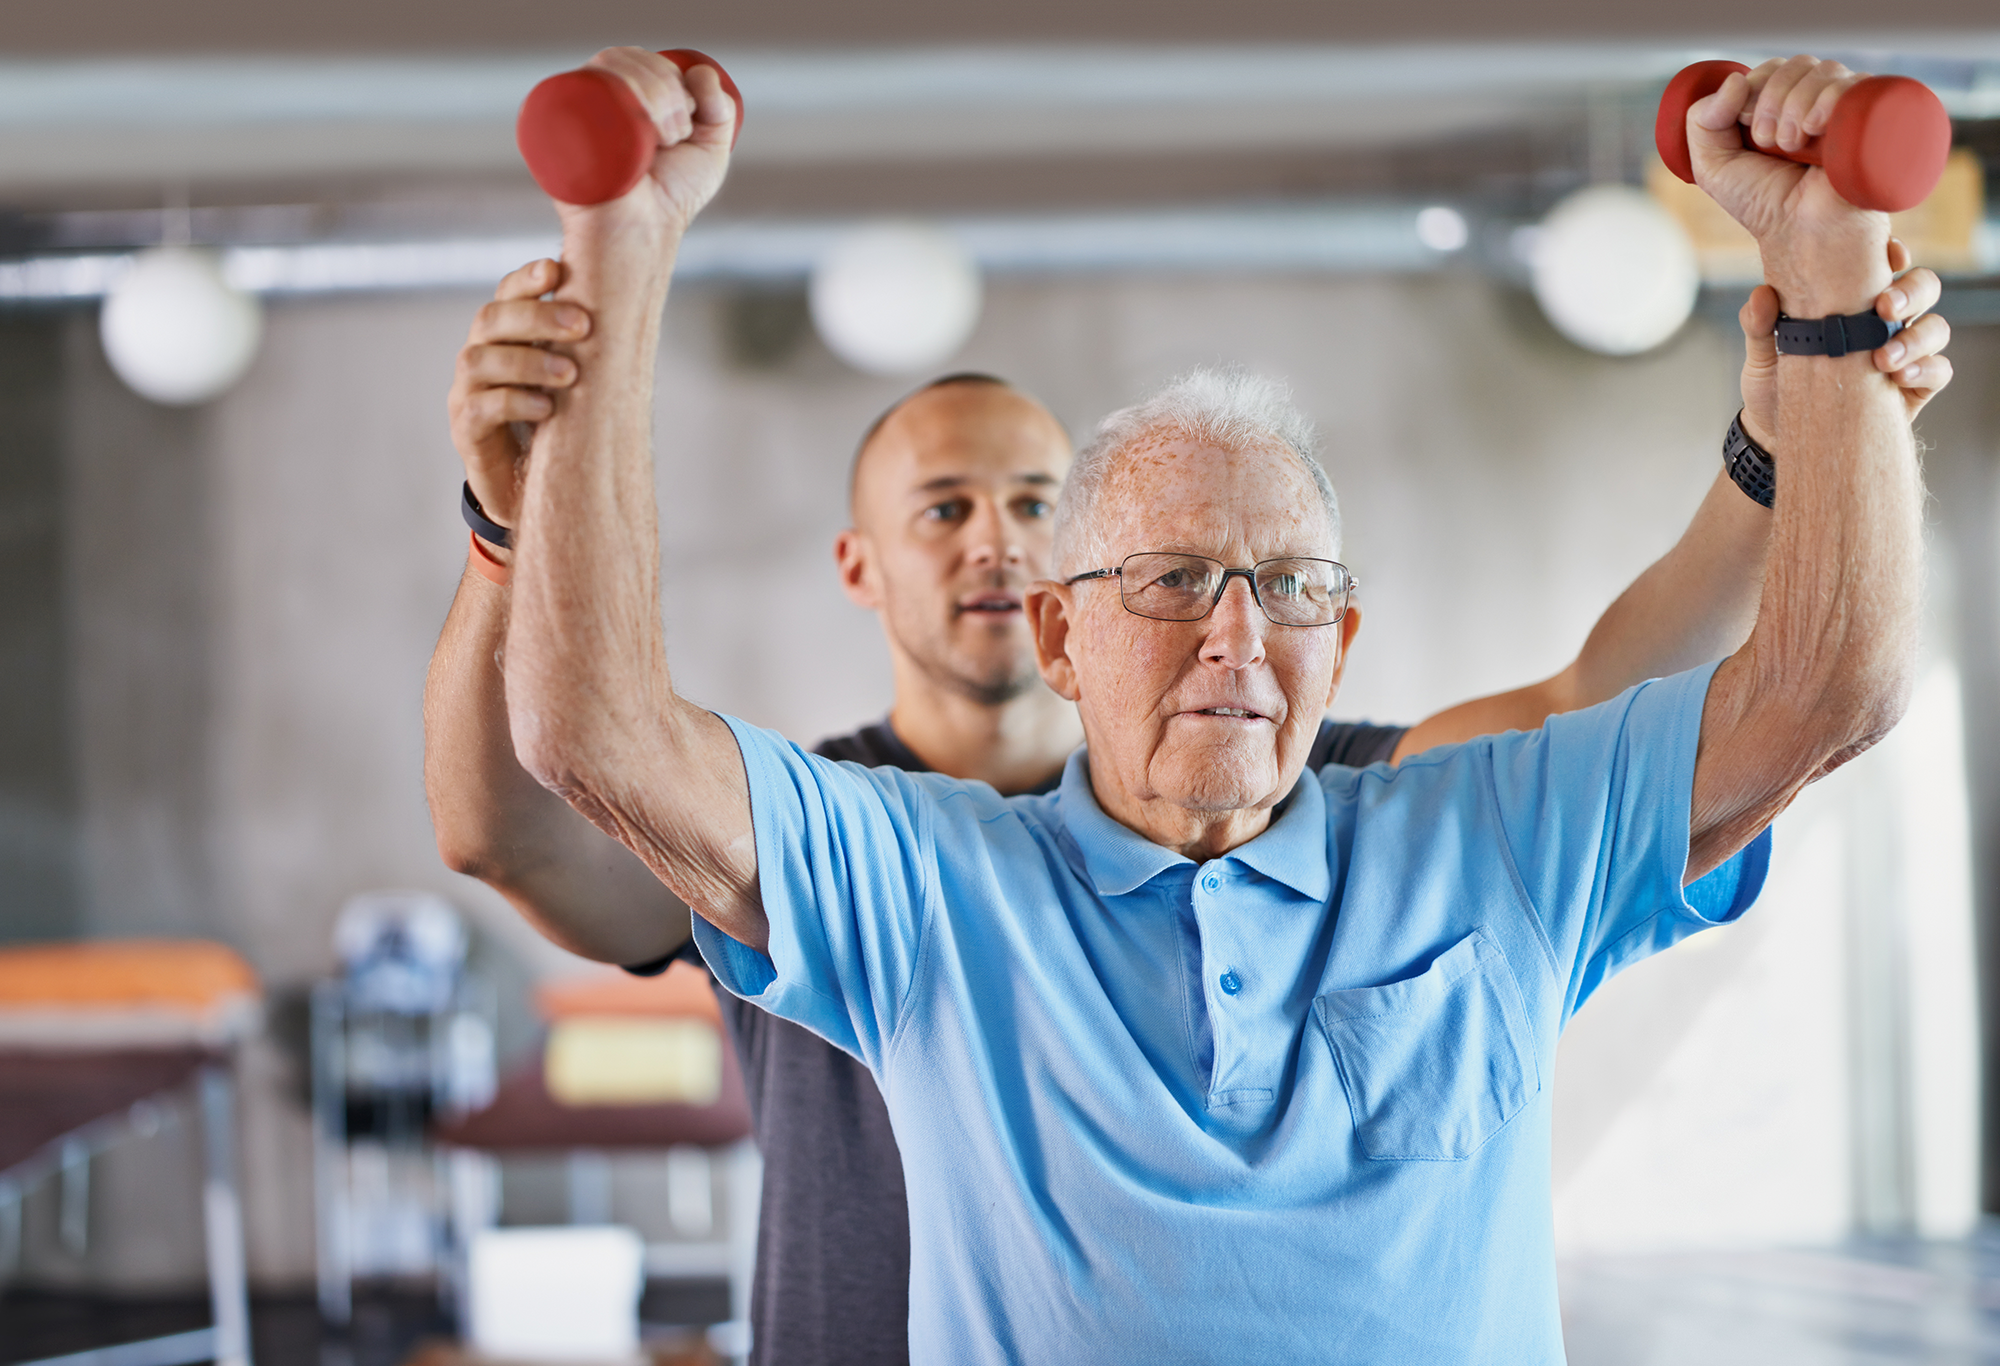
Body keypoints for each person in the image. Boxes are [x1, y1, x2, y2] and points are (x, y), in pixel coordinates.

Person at [431, 48, 1941, 1363]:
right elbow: (589, 741)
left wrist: (1830, 307)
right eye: (1167, 580)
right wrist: (617, 263)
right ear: (1061, 632)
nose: (1235, 632)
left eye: (1287, 586)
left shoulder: (1474, 829)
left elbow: (1823, 688)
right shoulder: (924, 872)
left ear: (1342, 640)